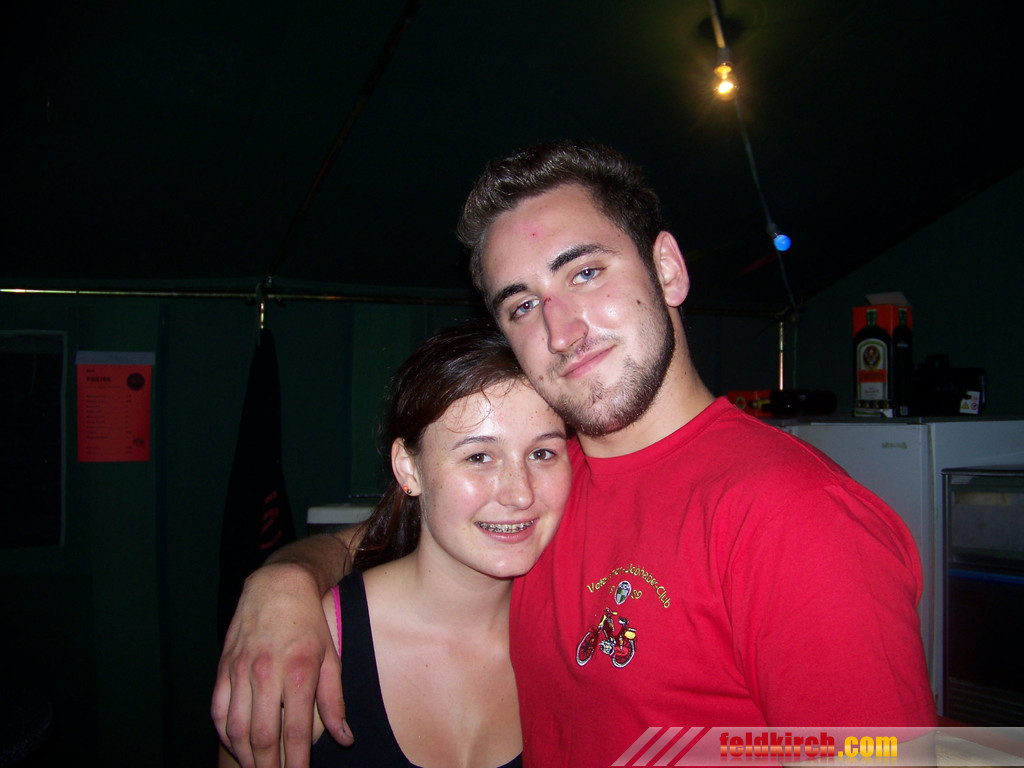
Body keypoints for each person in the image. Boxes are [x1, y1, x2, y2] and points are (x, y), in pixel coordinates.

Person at [213, 140, 936, 768]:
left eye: (585, 272)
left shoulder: (795, 518)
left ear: (668, 269)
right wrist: (284, 584)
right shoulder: (546, 483)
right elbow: (391, 535)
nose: (562, 331)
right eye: (523, 305)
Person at [217, 320, 571, 767]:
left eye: (542, 453)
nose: (520, 494)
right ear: (408, 468)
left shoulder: (581, 628)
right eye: (479, 456)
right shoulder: (304, 641)